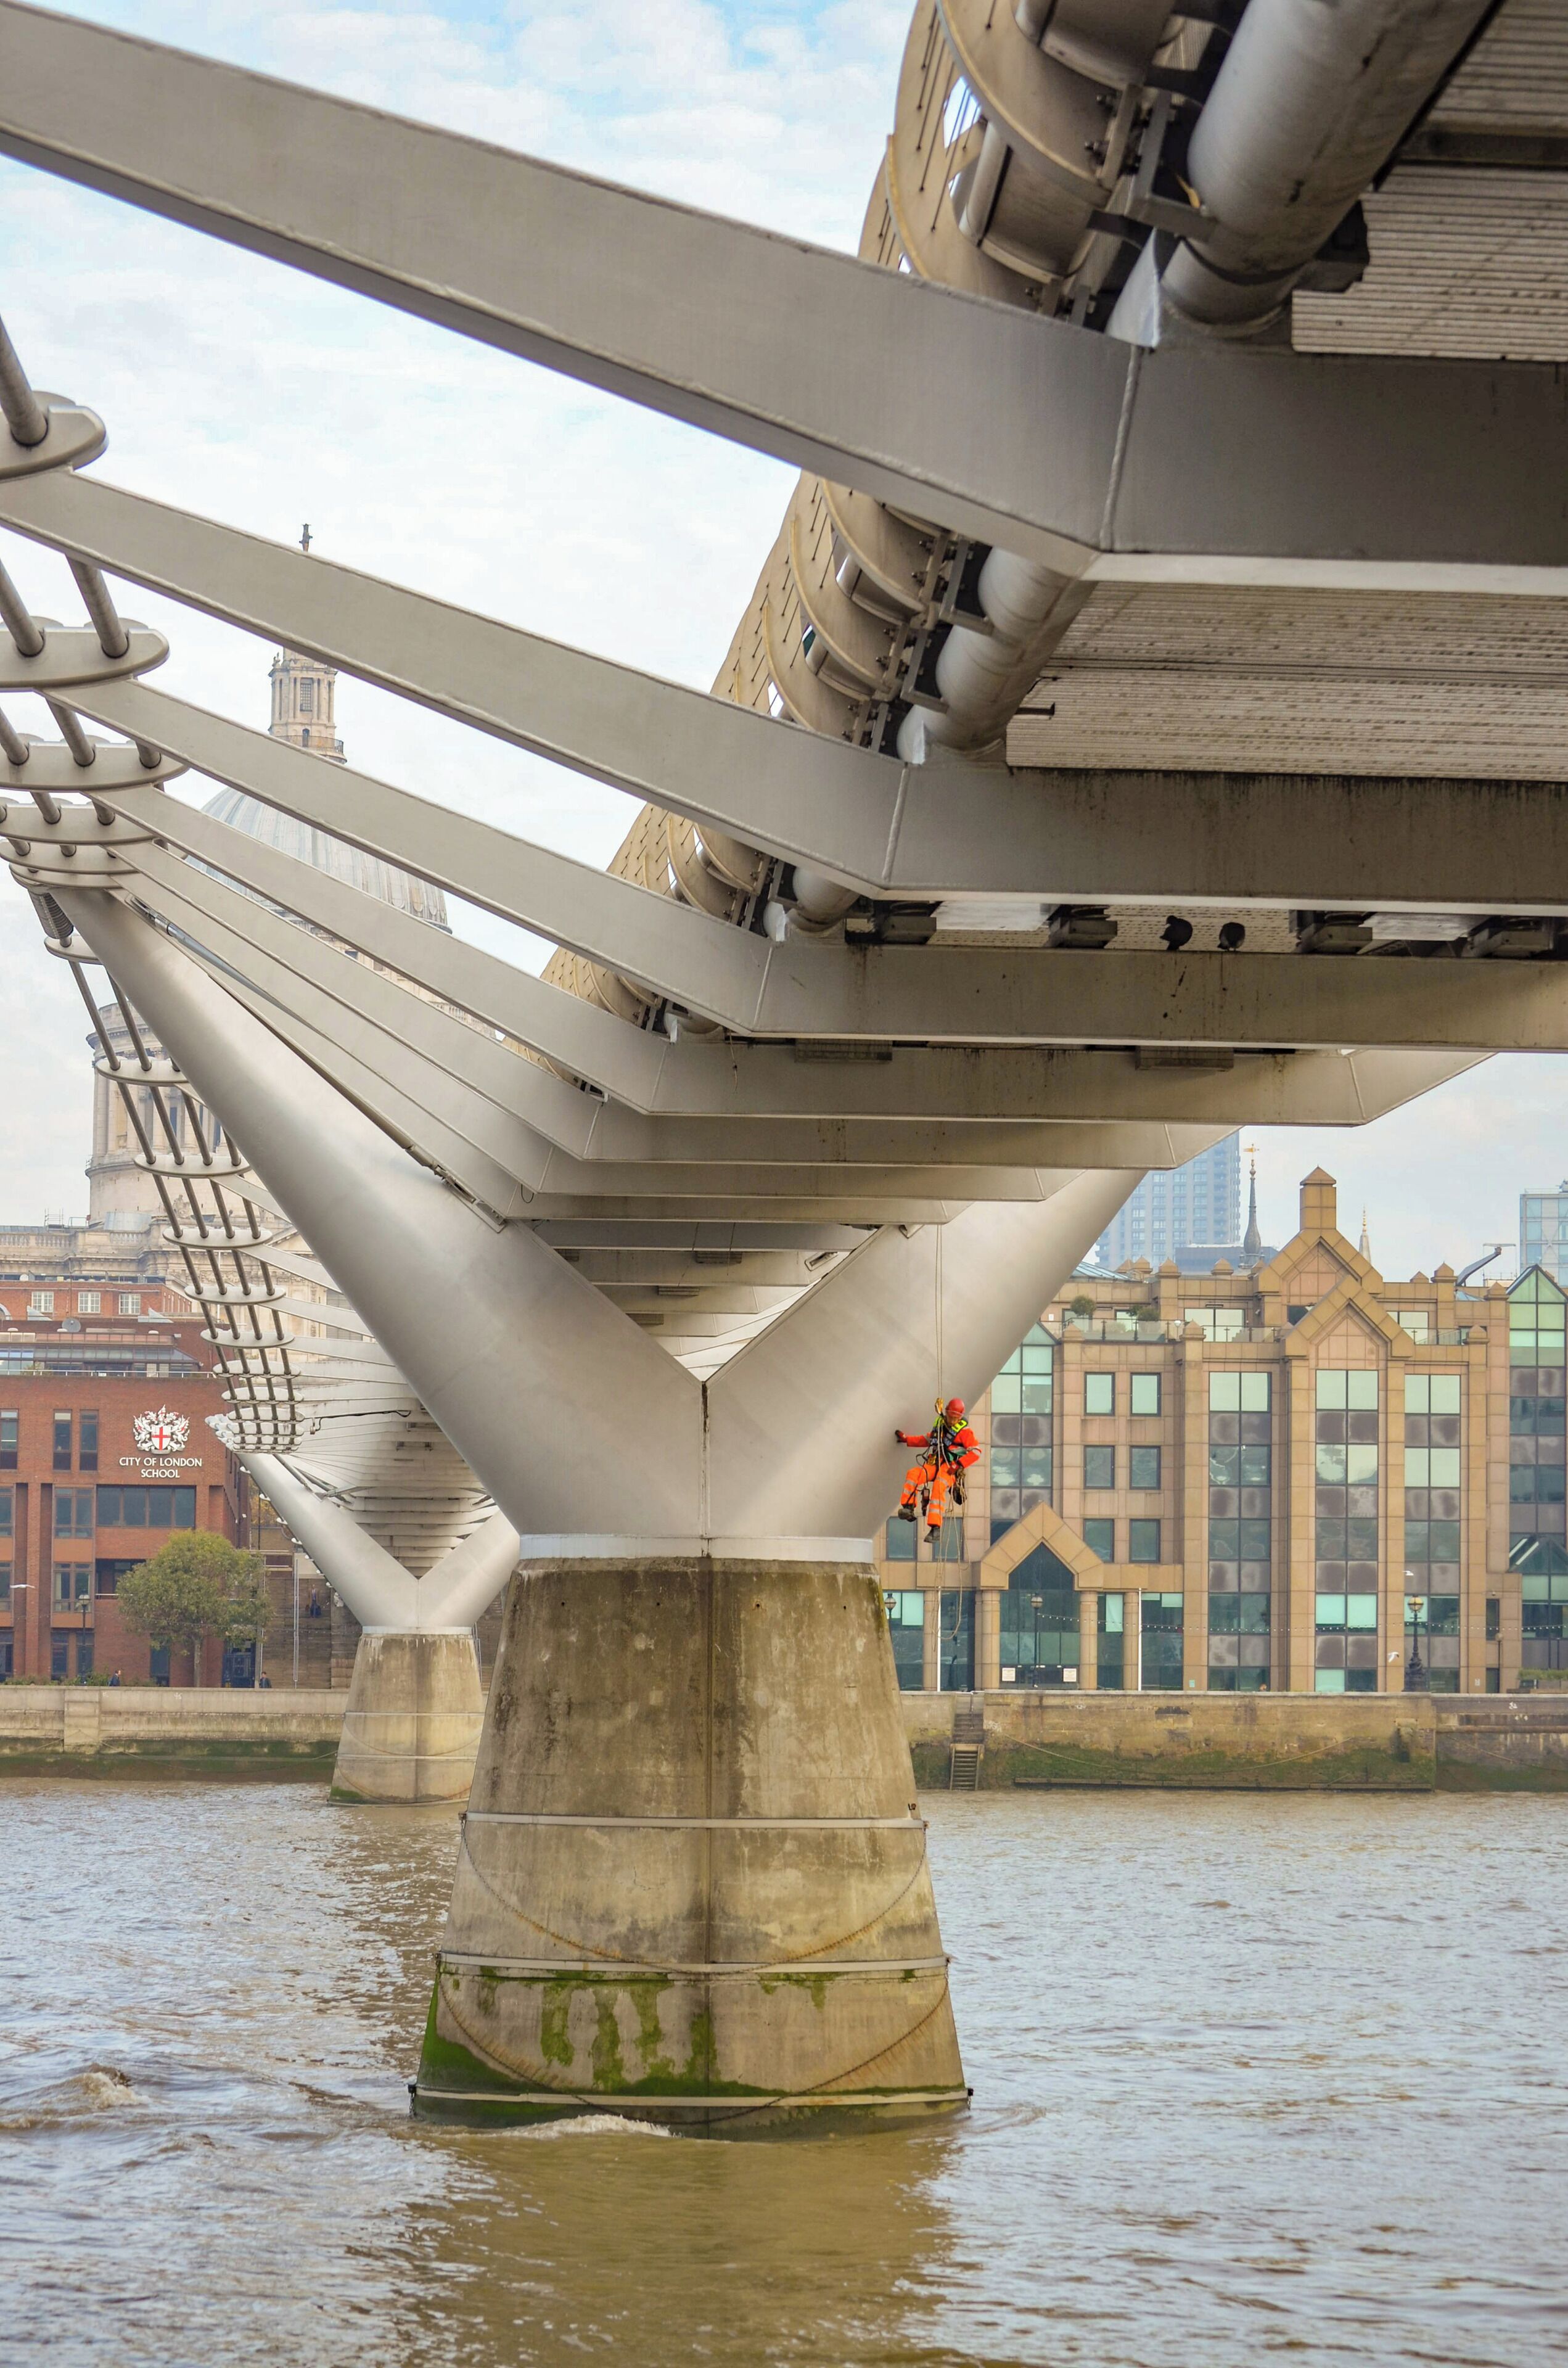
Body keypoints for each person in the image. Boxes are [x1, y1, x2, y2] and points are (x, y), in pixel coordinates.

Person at [895, 1399, 980, 1540]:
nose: (952, 1420)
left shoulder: (965, 1432)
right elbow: (928, 1440)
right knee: (914, 1474)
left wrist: (959, 1465)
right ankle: (908, 1507)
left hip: (950, 1467)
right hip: (935, 1462)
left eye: (955, 1418)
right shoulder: (940, 1426)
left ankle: (935, 1528)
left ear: (960, 1417)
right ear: (946, 1413)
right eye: (950, 1417)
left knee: (939, 1486)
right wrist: (907, 1440)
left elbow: (976, 1452)